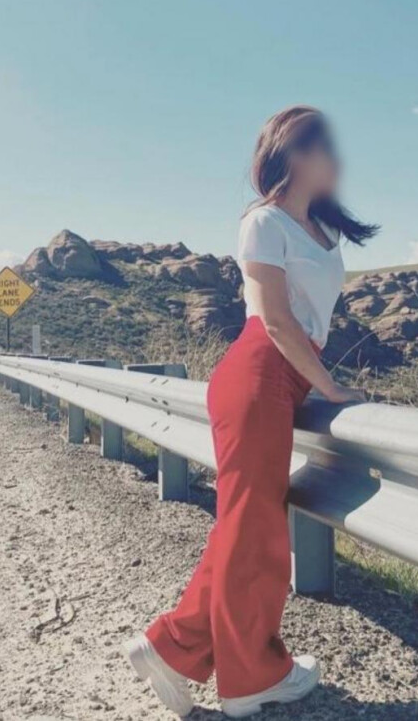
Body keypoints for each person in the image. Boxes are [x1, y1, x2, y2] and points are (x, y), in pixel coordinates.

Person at [123, 105, 379, 718]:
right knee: (257, 531)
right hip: (260, 372)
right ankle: (251, 677)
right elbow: (277, 319)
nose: (337, 160)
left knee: (245, 525)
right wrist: (330, 388)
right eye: (325, 148)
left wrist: (311, 383)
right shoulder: (263, 222)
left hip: (283, 380)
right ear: (294, 154)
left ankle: (175, 646)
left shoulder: (322, 227)